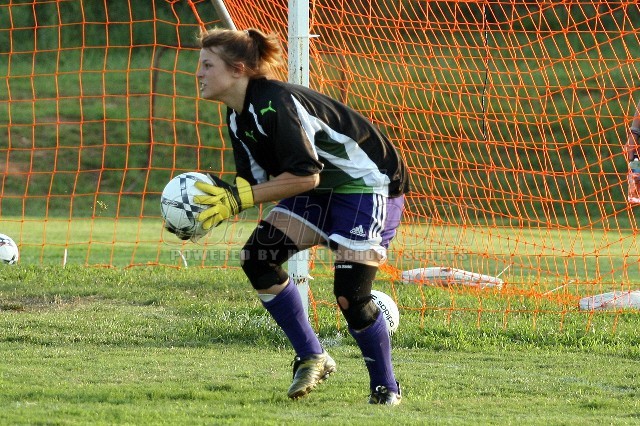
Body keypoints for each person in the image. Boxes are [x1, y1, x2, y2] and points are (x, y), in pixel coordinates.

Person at [192, 27, 409, 405]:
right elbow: (255, 183)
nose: (199, 73)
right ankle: (313, 356)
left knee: (350, 296)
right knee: (258, 259)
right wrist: (206, 210)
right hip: (319, 191)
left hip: (368, 184)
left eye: (208, 65)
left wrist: (238, 199)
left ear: (238, 69)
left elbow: (306, 175)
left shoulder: (277, 103)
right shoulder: (238, 116)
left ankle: (385, 388)